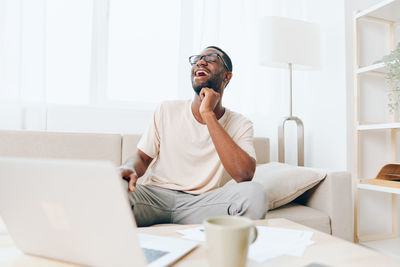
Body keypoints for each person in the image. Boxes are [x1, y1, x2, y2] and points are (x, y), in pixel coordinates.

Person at [119, 46, 266, 226]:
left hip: (202, 204)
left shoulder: (240, 123)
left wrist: (208, 114)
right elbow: (142, 158)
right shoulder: (167, 109)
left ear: (227, 76)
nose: (200, 62)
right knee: (115, 187)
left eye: (211, 58)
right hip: (155, 199)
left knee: (254, 193)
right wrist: (128, 168)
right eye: (197, 59)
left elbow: (244, 175)